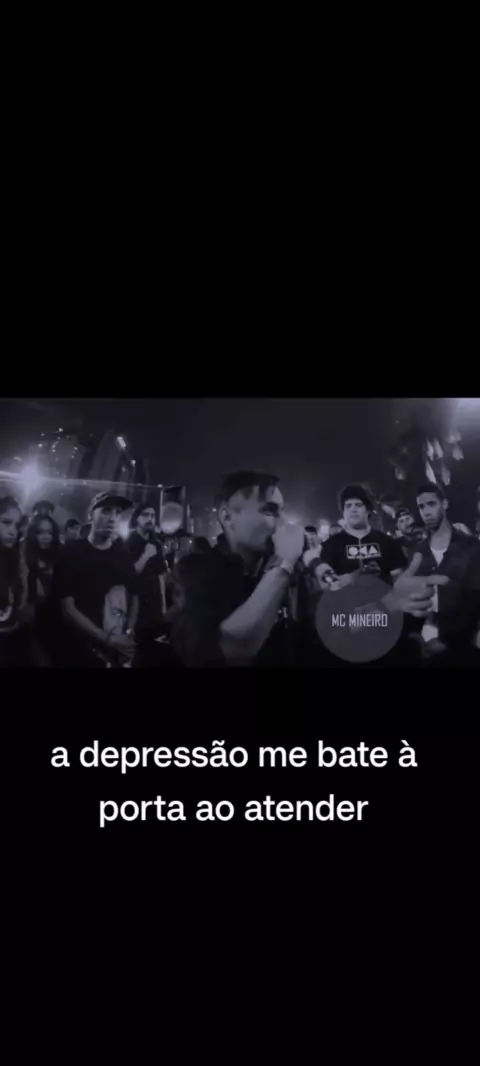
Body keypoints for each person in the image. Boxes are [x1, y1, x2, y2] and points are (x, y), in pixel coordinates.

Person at [169, 471, 443, 668]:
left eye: (281, 512)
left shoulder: (299, 574)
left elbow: (340, 624)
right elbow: (227, 651)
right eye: (268, 511)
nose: (281, 523)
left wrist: (392, 604)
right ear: (227, 516)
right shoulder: (195, 572)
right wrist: (284, 565)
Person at [54, 492, 139, 667]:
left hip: (116, 652)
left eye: (117, 513)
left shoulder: (122, 552)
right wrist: (108, 639)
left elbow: (134, 595)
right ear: (90, 515)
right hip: (81, 651)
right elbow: (68, 608)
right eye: (106, 511)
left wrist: (128, 634)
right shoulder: (72, 551)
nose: (113, 518)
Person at [411, 483, 480, 661]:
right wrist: (421, 636)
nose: (426, 512)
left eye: (431, 504)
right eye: (421, 507)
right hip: (428, 647)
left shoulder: (471, 547)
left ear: (444, 504)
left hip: (466, 644)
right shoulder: (417, 553)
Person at [316, 484, 407, 589]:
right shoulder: (330, 545)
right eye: (348, 506)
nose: (353, 509)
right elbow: (326, 584)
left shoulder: (387, 541)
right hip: (346, 599)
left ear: (368, 510)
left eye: (358, 505)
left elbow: (398, 578)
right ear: (343, 512)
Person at [127, 502, 169, 664]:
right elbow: (129, 575)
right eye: (145, 515)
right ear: (136, 518)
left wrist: (163, 607)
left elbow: (161, 577)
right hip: (136, 607)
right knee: (136, 653)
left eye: (152, 516)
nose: (150, 519)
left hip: (154, 607)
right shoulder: (129, 543)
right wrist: (145, 555)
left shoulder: (156, 543)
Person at [24, 513, 62, 664]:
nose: (46, 537)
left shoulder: (59, 556)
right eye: (40, 532)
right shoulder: (25, 558)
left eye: (49, 532)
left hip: (57, 622)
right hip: (31, 625)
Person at [0, 496, 29, 667]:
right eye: (6, 522)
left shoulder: (17, 561)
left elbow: (20, 603)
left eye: (17, 525)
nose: (13, 531)